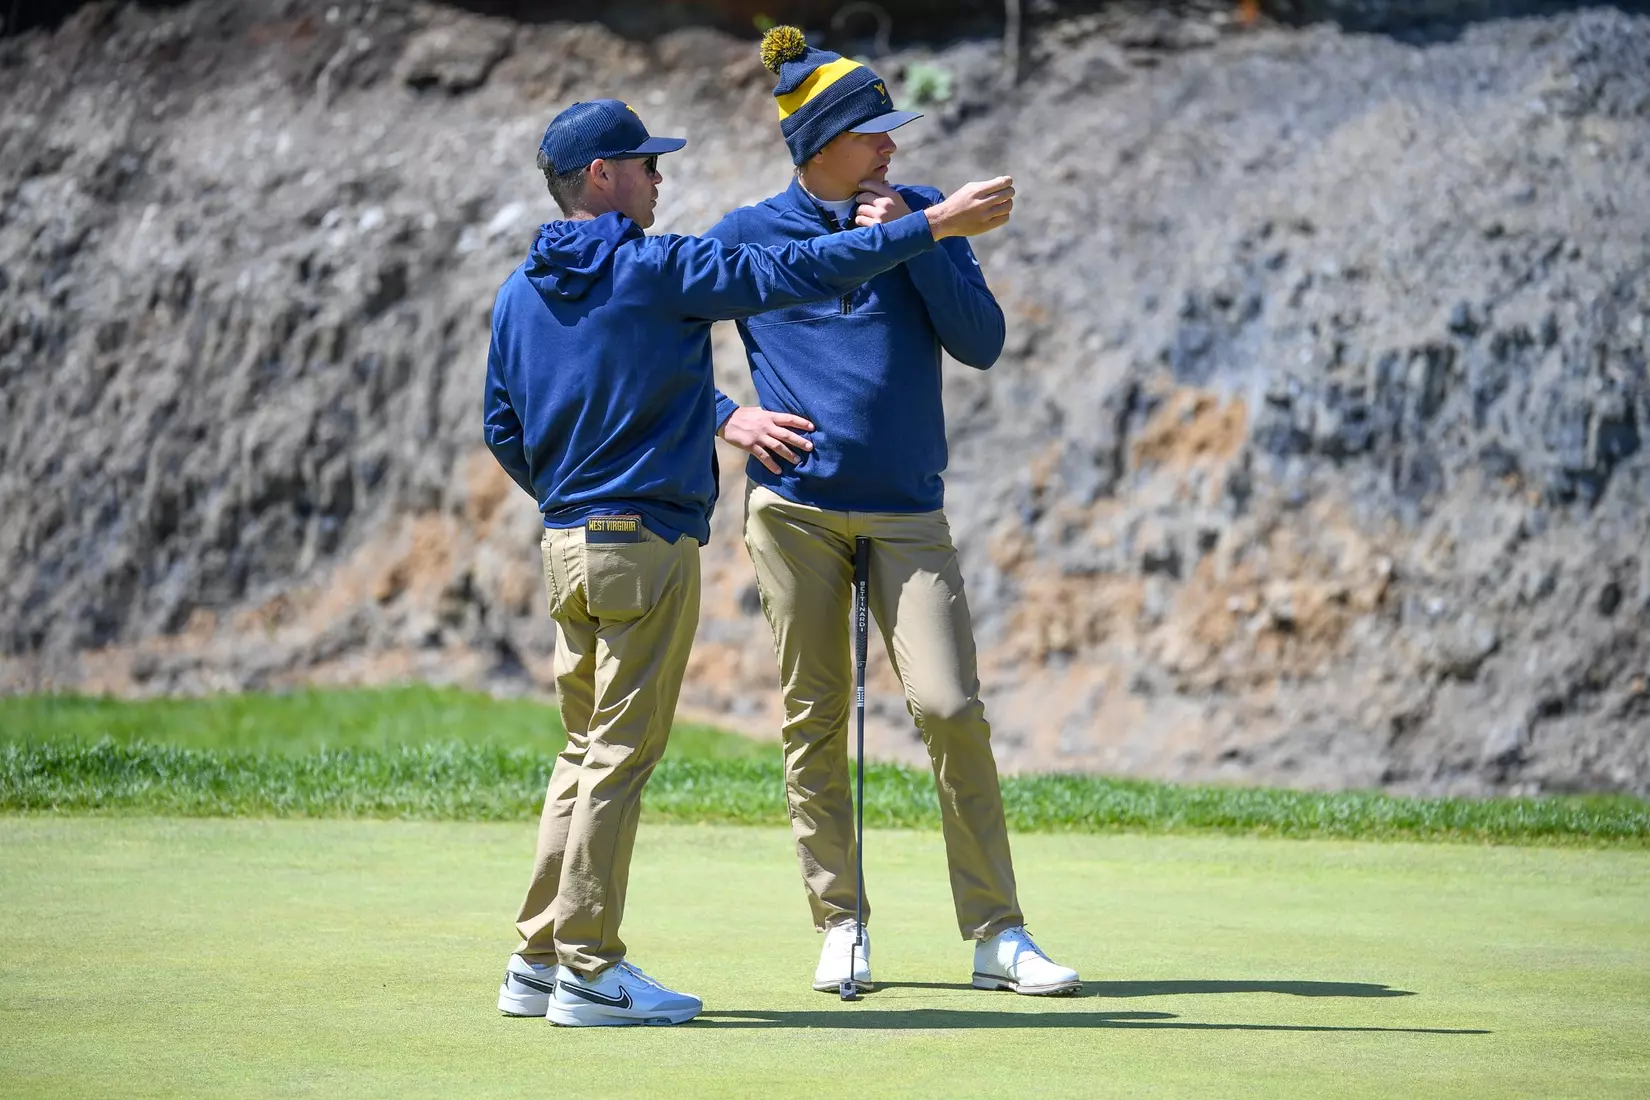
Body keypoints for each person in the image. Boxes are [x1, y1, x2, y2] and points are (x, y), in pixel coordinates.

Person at [484, 96, 1015, 1026]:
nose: (661, 178)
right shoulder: (656, 268)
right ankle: (589, 967)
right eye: (646, 165)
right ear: (601, 179)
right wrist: (932, 224)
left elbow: (503, 429)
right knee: (617, 757)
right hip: (641, 545)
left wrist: (569, 497)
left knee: (580, 753)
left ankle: (534, 961)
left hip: (564, 545)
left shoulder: (518, 291)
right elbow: (796, 267)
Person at [705, 27, 1080, 997]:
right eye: (875, 133)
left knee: (952, 708)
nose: (894, 148)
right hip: (795, 512)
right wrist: (728, 413)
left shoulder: (921, 215)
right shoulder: (748, 235)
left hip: (909, 513)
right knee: (815, 716)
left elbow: (982, 340)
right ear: (821, 142)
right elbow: (654, 338)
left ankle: (997, 929)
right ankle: (840, 923)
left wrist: (915, 242)